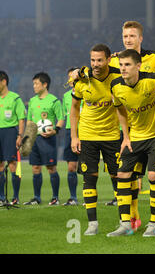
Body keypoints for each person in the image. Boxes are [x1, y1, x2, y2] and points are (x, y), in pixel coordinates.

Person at [108, 20, 155, 232]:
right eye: (121, 65)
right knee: (122, 175)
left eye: (127, 65)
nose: (123, 68)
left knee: (153, 176)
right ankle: (126, 223)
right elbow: (120, 110)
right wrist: (126, 136)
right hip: (135, 135)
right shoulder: (116, 86)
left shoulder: (152, 81)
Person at [70, 44, 121, 235]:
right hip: (88, 136)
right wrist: (74, 136)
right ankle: (92, 224)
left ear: (108, 59)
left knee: (119, 179)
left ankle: (124, 221)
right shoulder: (83, 80)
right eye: (93, 60)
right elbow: (74, 109)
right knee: (89, 179)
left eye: (100, 60)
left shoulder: (118, 77)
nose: (96, 64)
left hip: (112, 136)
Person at [24, 72, 64, 206]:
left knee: (51, 167)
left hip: (48, 139)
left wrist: (55, 130)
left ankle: (55, 197)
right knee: (35, 168)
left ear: (45, 84)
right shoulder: (33, 101)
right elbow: (29, 120)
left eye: (36, 83)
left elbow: (61, 118)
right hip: (34, 138)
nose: (34, 86)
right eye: (33, 84)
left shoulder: (54, 100)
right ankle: (36, 197)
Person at [0, 71, 26, 206]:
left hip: (10, 132)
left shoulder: (15, 98)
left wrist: (20, 136)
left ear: (3, 82)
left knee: (12, 164)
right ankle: (1, 197)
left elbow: (21, 118)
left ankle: (15, 197)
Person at [61, 68, 79, 206]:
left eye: (72, 76)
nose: (70, 79)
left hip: (85, 130)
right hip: (70, 131)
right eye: (69, 77)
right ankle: (73, 197)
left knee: (88, 167)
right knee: (71, 166)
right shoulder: (66, 96)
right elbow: (64, 116)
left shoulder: (86, 92)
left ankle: (91, 198)